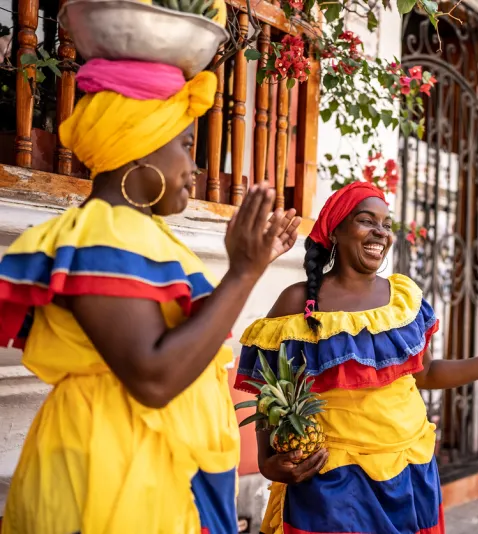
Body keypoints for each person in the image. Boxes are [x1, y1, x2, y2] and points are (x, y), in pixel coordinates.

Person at [0, 58, 301, 533]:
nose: (195, 166)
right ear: (138, 147)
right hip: (114, 469)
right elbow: (153, 378)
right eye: (185, 145)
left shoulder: (141, 233)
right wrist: (243, 273)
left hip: (148, 462)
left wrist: (254, 263)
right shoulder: (106, 233)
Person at [235, 181, 478, 534]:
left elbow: (425, 373)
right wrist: (266, 461)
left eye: (386, 224)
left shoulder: (402, 300)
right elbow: (269, 389)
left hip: (409, 468)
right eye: (367, 221)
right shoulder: (297, 303)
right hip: (331, 473)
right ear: (335, 230)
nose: (380, 232)